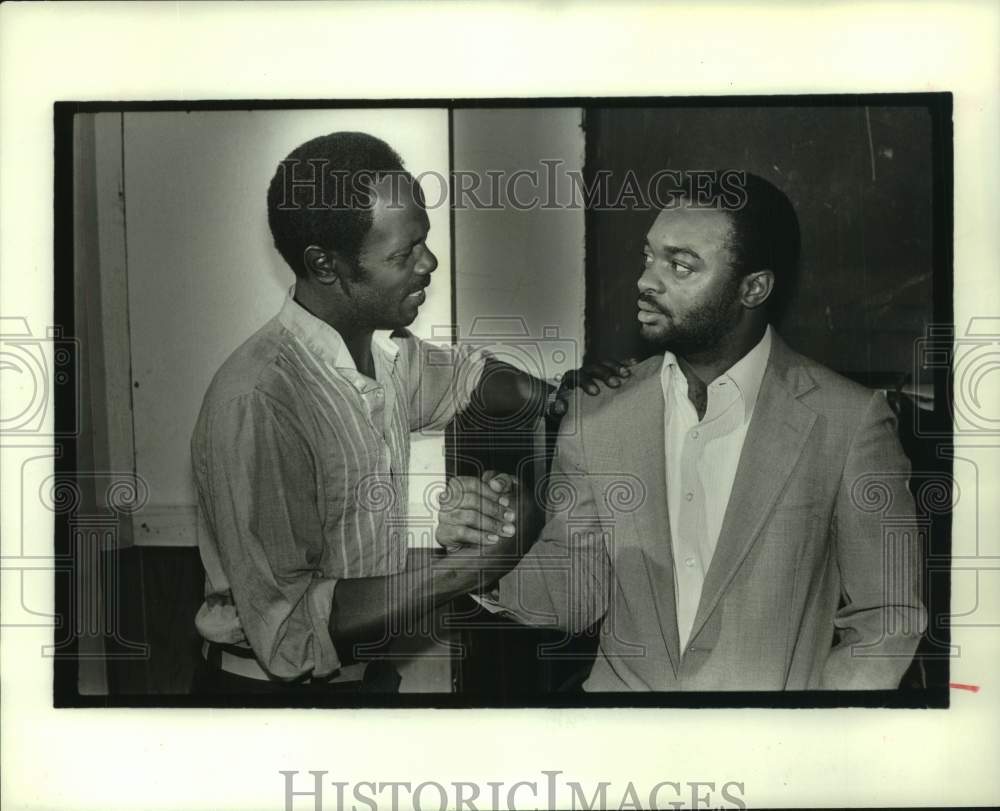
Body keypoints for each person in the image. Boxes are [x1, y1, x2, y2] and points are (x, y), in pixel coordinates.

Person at [438, 172, 927, 691]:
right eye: (648, 258)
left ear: (753, 288)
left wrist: (811, 737)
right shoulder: (596, 413)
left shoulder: (848, 420)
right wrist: (488, 548)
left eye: (680, 265)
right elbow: (577, 591)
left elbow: (887, 616)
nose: (647, 280)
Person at [190, 131, 624, 693]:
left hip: (365, 679)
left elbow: (471, 376)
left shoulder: (383, 355)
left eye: (424, 239)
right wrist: (476, 563)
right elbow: (291, 633)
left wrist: (552, 398)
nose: (430, 261)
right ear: (326, 265)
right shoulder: (260, 400)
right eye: (403, 254)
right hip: (268, 701)